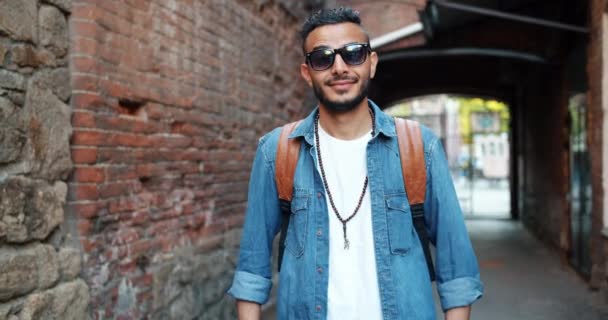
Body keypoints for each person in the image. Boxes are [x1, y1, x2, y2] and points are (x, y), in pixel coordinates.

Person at [227, 7, 483, 320]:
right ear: (307, 73)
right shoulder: (277, 151)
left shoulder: (419, 147)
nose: (339, 67)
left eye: (353, 54)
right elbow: (252, 271)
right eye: (323, 58)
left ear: (371, 64)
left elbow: (456, 268)